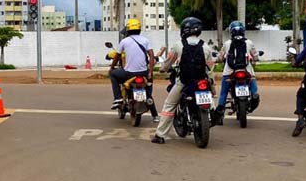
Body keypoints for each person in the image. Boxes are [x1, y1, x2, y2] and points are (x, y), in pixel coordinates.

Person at [152, 16, 215, 144]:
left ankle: (160, 135)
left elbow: (168, 62)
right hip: (201, 81)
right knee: (211, 102)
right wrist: (212, 86)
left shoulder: (178, 45)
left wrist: (163, 69)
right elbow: (210, 69)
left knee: (169, 105)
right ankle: (214, 116)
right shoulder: (206, 47)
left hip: (183, 82)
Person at [108, 18, 159, 123]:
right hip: (144, 73)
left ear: (128, 30)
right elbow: (151, 55)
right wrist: (150, 71)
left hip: (128, 74)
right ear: (139, 29)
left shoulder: (124, 41)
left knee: (113, 74)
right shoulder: (145, 40)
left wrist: (112, 67)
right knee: (148, 92)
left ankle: (118, 98)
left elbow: (117, 56)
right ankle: (155, 115)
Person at [214, 20, 259, 119]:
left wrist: (217, 59)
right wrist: (256, 58)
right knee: (254, 88)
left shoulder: (227, 43)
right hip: (247, 71)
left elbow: (220, 57)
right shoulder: (249, 42)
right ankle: (254, 99)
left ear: (231, 32)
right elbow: (255, 56)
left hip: (229, 72)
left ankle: (220, 109)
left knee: (224, 92)